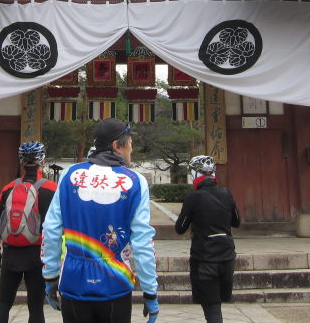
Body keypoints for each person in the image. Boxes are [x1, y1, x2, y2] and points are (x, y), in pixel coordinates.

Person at [41, 117, 159, 323]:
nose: (131, 149)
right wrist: (150, 291)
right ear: (116, 146)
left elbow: (51, 230)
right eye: (130, 143)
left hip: (73, 283)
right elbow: (142, 242)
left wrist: (50, 277)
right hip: (115, 285)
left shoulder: (70, 175)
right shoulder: (135, 181)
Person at [0, 141, 57, 323]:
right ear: (42, 160)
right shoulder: (52, 190)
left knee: (3, 303)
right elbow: (58, 225)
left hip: (11, 253)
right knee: (35, 308)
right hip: (37, 255)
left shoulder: (9, 188)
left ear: (21, 161)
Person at [174, 155, 240, 323]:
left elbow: (180, 228)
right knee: (217, 303)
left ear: (196, 174)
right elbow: (237, 221)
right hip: (227, 256)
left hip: (204, 257)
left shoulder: (194, 197)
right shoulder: (226, 193)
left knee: (211, 306)